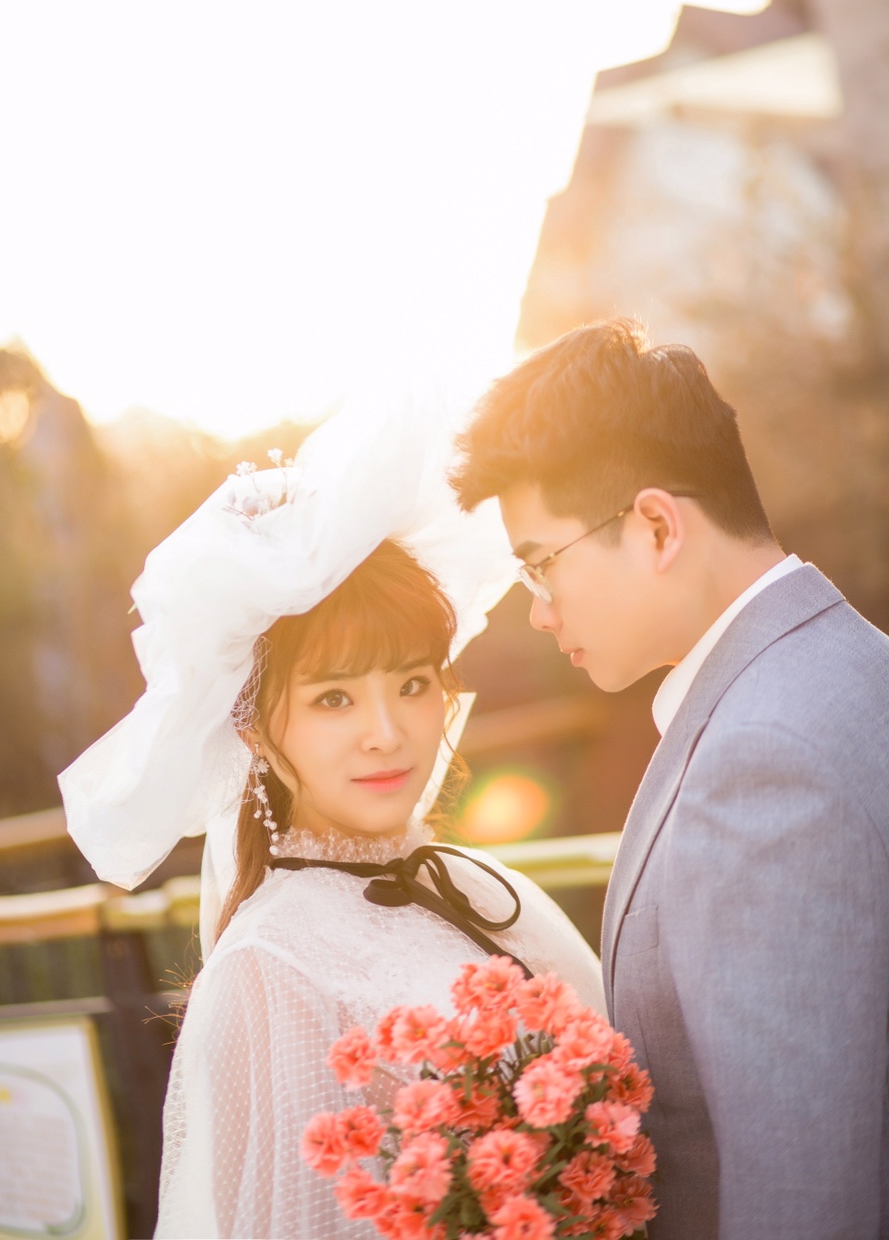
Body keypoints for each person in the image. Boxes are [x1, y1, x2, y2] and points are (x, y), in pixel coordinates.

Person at [58, 380, 606, 1238]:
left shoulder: (479, 887)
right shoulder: (268, 967)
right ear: (256, 730)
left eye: (413, 684)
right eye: (334, 699)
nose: (387, 734)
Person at [450, 318, 889, 1239]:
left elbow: (801, 1189)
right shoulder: (852, 671)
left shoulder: (762, 758)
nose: (538, 612)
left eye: (541, 564)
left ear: (655, 525)